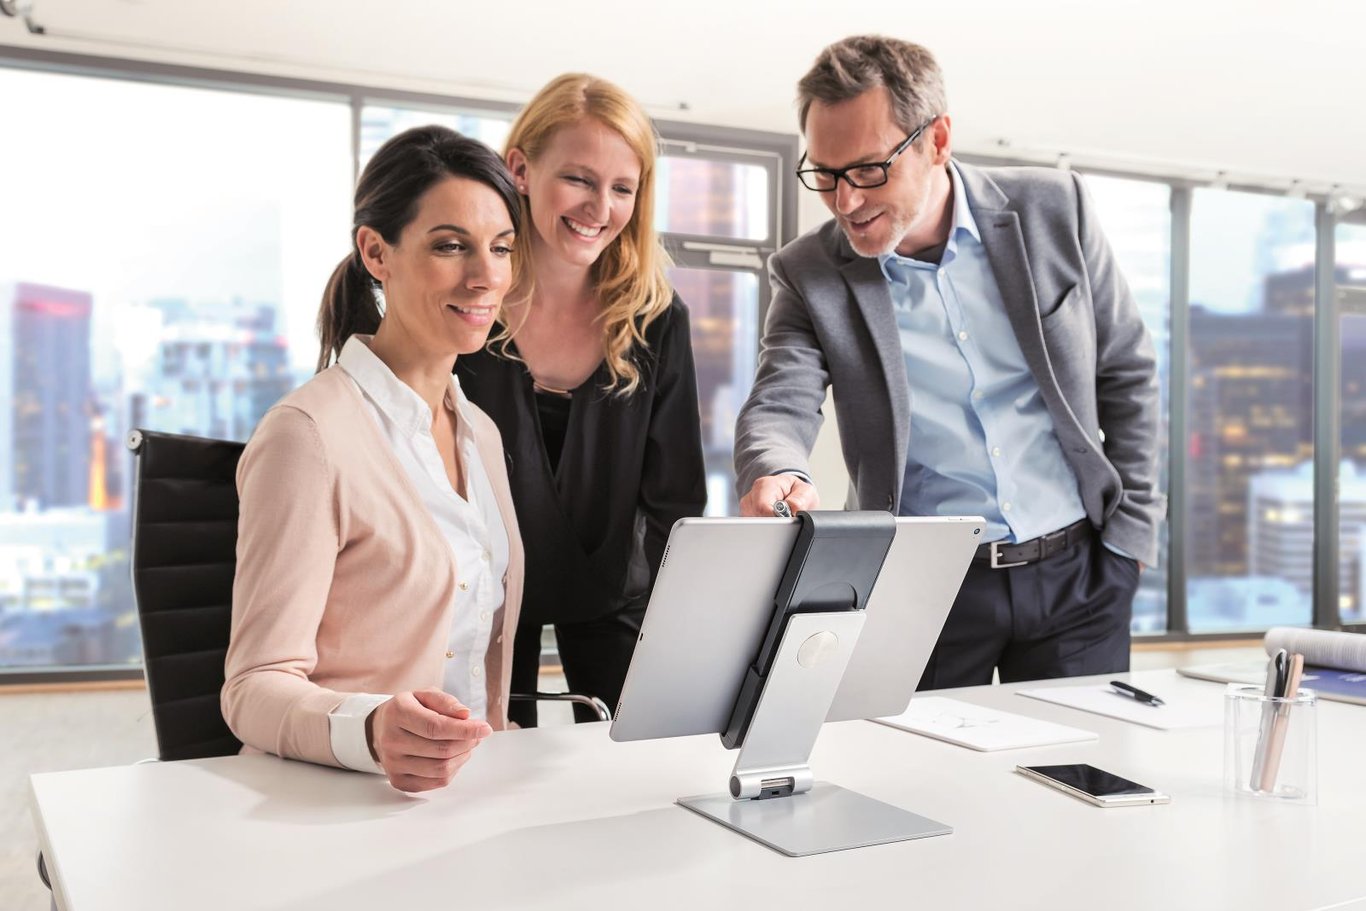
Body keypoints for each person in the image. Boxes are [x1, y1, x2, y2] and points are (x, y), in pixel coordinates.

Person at [734, 35, 1162, 688]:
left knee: (1072, 783)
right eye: (824, 173)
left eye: (868, 170)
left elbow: (1127, 372)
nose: (844, 200)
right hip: (923, 589)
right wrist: (779, 468)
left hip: (1080, 578)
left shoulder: (1054, 209)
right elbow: (780, 401)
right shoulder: (809, 272)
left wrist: (1128, 544)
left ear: (936, 141)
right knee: (925, 784)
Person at [222, 126, 525, 793]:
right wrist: (371, 727)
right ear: (376, 252)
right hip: (342, 803)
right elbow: (252, 688)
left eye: (500, 248)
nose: (485, 276)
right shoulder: (308, 435)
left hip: (470, 797)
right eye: (451, 246)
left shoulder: (480, 431)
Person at [456, 74, 706, 726]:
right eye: (579, 178)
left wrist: (680, 630)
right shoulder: (467, 303)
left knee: (644, 765)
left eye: (622, 187)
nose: (600, 206)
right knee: (480, 780)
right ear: (520, 169)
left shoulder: (655, 317)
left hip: (611, 592)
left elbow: (675, 496)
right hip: (476, 597)